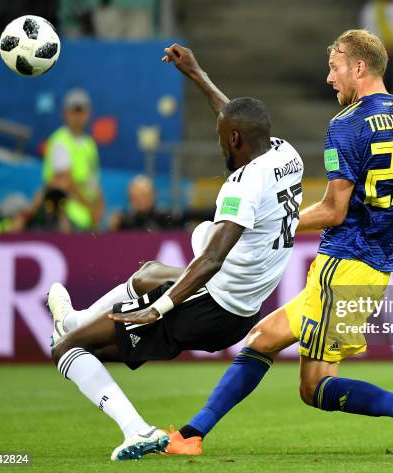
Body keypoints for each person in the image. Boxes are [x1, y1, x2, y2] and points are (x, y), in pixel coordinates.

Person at [164, 29, 393, 457]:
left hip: (345, 264)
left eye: (335, 68)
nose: (330, 79)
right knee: (261, 338)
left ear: (359, 68)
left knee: (314, 387)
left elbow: (333, 211)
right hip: (367, 267)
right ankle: (190, 435)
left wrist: (275, 226)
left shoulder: (345, 126)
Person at [48, 45, 304, 461]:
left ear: (236, 139)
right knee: (149, 271)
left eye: (222, 137)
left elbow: (212, 259)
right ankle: (75, 319)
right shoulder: (284, 153)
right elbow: (233, 115)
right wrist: (197, 74)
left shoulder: (243, 186)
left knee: (65, 349)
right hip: (240, 305)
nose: (219, 140)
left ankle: (136, 430)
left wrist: (158, 310)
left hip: (212, 307)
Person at [43, 89, 104, 230]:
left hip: (87, 217)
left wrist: (99, 206)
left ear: (88, 112)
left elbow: (94, 179)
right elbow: (66, 182)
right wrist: (90, 207)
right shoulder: (60, 141)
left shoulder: (89, 143)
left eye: (82, 110)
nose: (78, 115)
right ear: (65, 113)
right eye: (74, 110)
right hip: (67, 216)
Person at [110, 175, 180, 231]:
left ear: (152, 196)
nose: (139, 200)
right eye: (135, 197)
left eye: (143, 195)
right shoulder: (124, 220)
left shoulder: (165, 217)